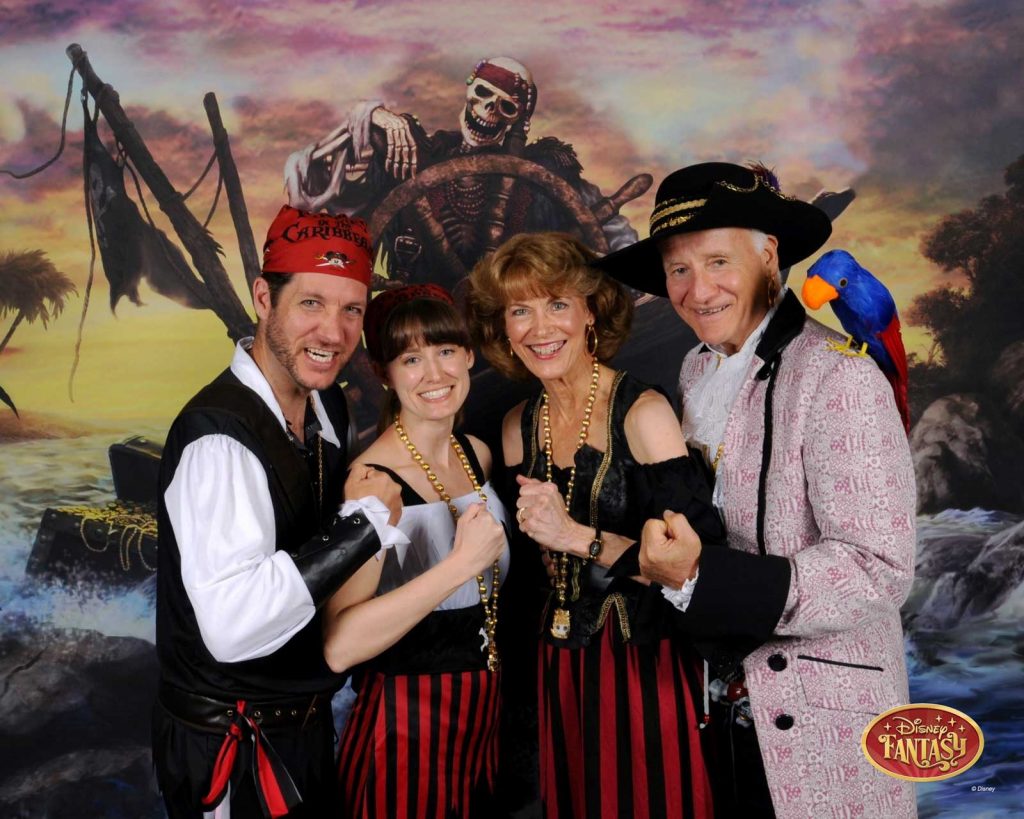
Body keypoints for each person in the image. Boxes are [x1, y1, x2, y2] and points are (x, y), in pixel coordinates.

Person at [594, 162, 918, 818]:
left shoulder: (839, 377)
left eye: (718, 260)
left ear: (769, 254)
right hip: (708, 718)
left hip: (822, 733)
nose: (697, 289)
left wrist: (696, 578)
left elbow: (878, 571)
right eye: (678, 269)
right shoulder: (693, 369)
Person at [152, 205, 406, 819]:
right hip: (235, 750)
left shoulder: (329, 410)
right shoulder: (219, 439)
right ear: (265, 298)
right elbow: (234, 627)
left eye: (352, 309)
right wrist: (366, 525)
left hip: (306, 729)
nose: (334, 332)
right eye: (312, 304)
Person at [466, 232, 726, 819]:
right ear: (504, 329)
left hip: (643, 665)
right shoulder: (516, 427)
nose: (539, 327)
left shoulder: (644, 412)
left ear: (591, 313)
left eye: (558, 303)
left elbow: (698, 563)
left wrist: (576, 537)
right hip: (557, 662)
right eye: (520, 310)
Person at [326, 283, 509, 818]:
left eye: (446, 351)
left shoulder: (475, 455)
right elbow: (340, 645)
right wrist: (459, 566)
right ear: (384, 373)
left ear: (469, 356)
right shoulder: (371, 484)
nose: (435, 374)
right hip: (404, 729)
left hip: (482, 721)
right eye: (411, 358)